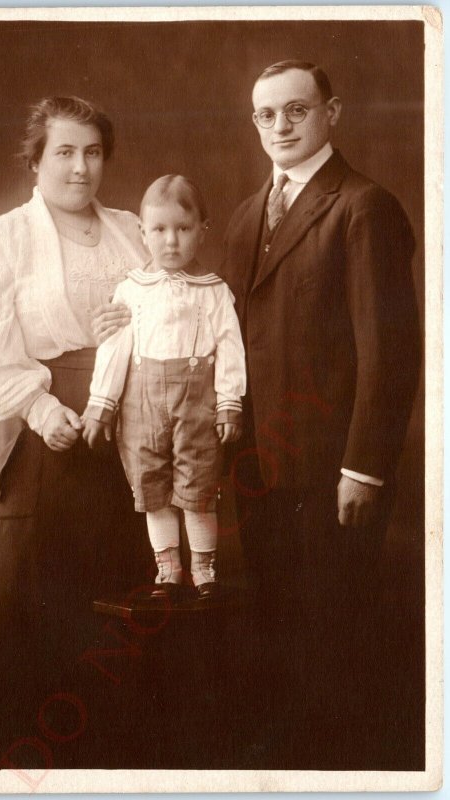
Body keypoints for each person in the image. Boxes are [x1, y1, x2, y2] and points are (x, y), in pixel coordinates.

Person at [220, 61, 421, 752]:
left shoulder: (363, 206)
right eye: (266, 114)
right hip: (258, 473)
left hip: (332, 475)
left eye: (296, 110)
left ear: (330, 113)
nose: (280, 125)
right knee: (274, 638)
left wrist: (364, 468)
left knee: (334, 650)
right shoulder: (248, 215)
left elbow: (389, 352)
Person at [0, 96, 152, 732]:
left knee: (114, 614)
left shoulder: (133, 228)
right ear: (36, 161)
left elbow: (177, 311)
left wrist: (132, 322)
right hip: (41, 436)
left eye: (93, 153)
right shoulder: (5, 238)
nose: (80, 168)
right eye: (65, 152)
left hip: (123, 434)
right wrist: (43, 409)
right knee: (35, 617)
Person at [81, 175, 246, 599]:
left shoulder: (213, 293)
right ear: (142, 232)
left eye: (183, 229)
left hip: (197, 408)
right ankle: (168, 569)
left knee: (198, 489)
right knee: (153, 489)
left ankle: (204, 568)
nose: (171, 241)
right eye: (159, 229)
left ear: (202, 230)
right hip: (141, 406)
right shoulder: (131, 290)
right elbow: (115, 350)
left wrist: (229, 402)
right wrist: (101, 404)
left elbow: (230, 348)